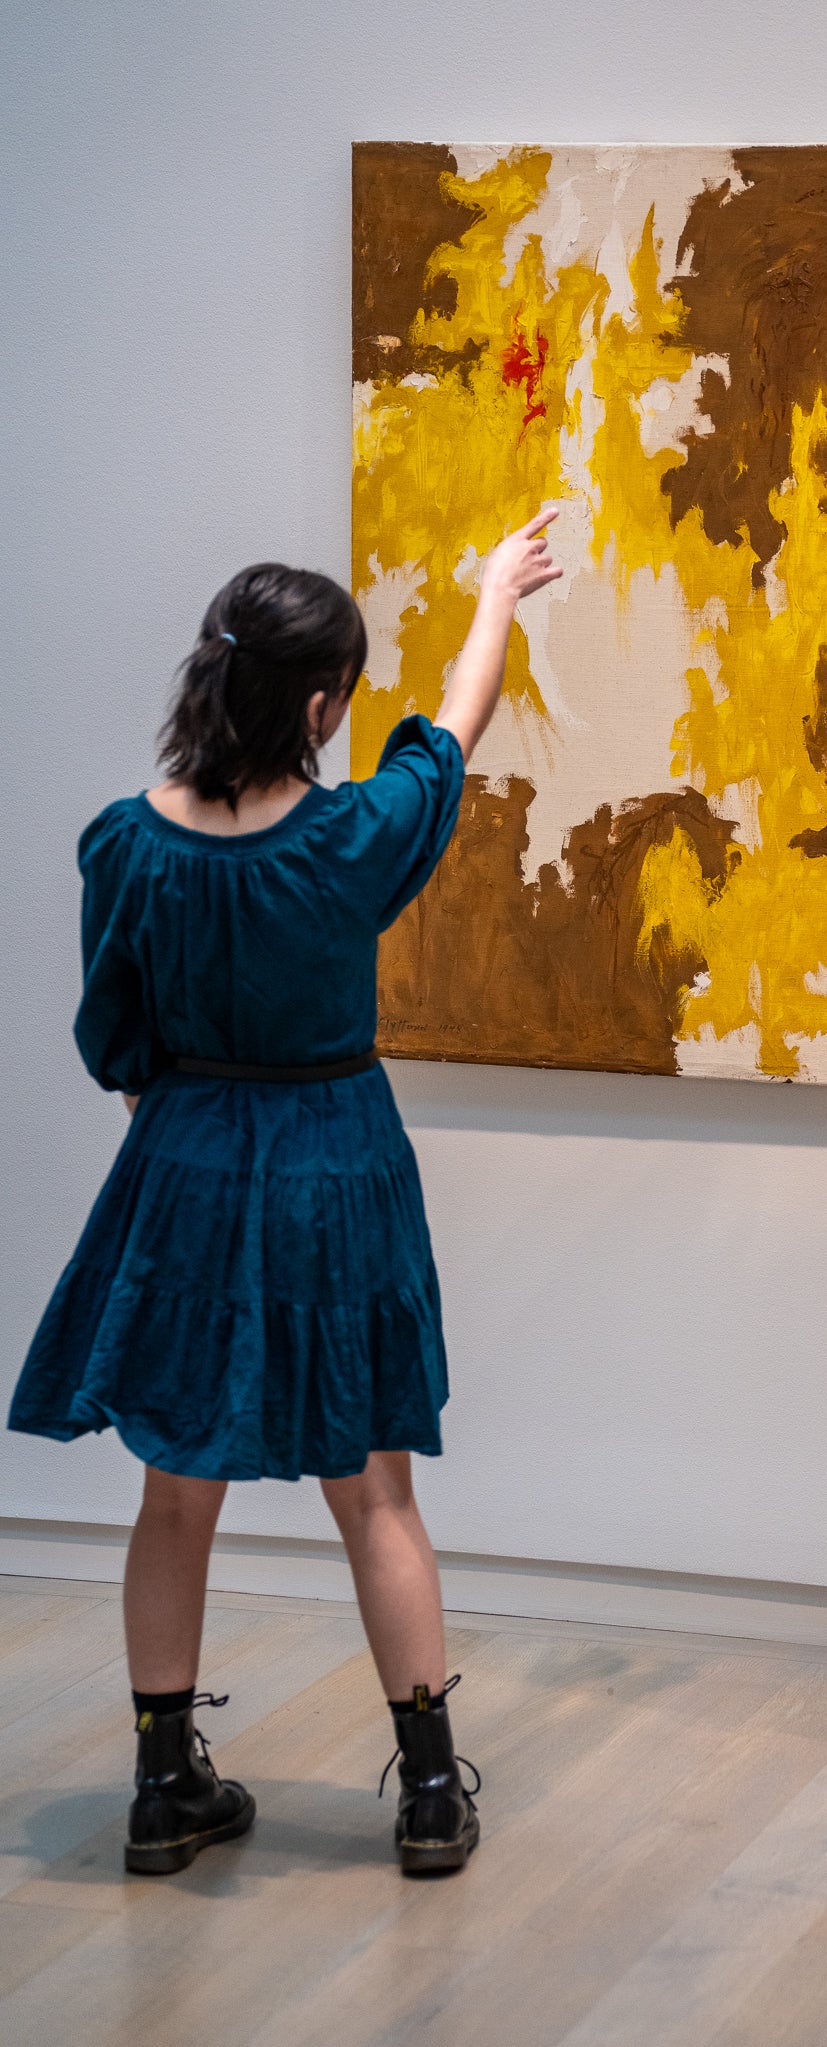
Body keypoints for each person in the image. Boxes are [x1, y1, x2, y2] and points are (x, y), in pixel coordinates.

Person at [9, 508, 562, 1874]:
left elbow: (114, 1040)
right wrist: (494, 591)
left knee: (173, 1493)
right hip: (335, 1160)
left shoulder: (125, 845)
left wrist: (184, 1124)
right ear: (319, 707)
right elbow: (457, 724)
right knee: (374, 1493)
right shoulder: (351, 838)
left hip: (184, 1160)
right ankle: (427, 1796)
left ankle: (162, 1792)